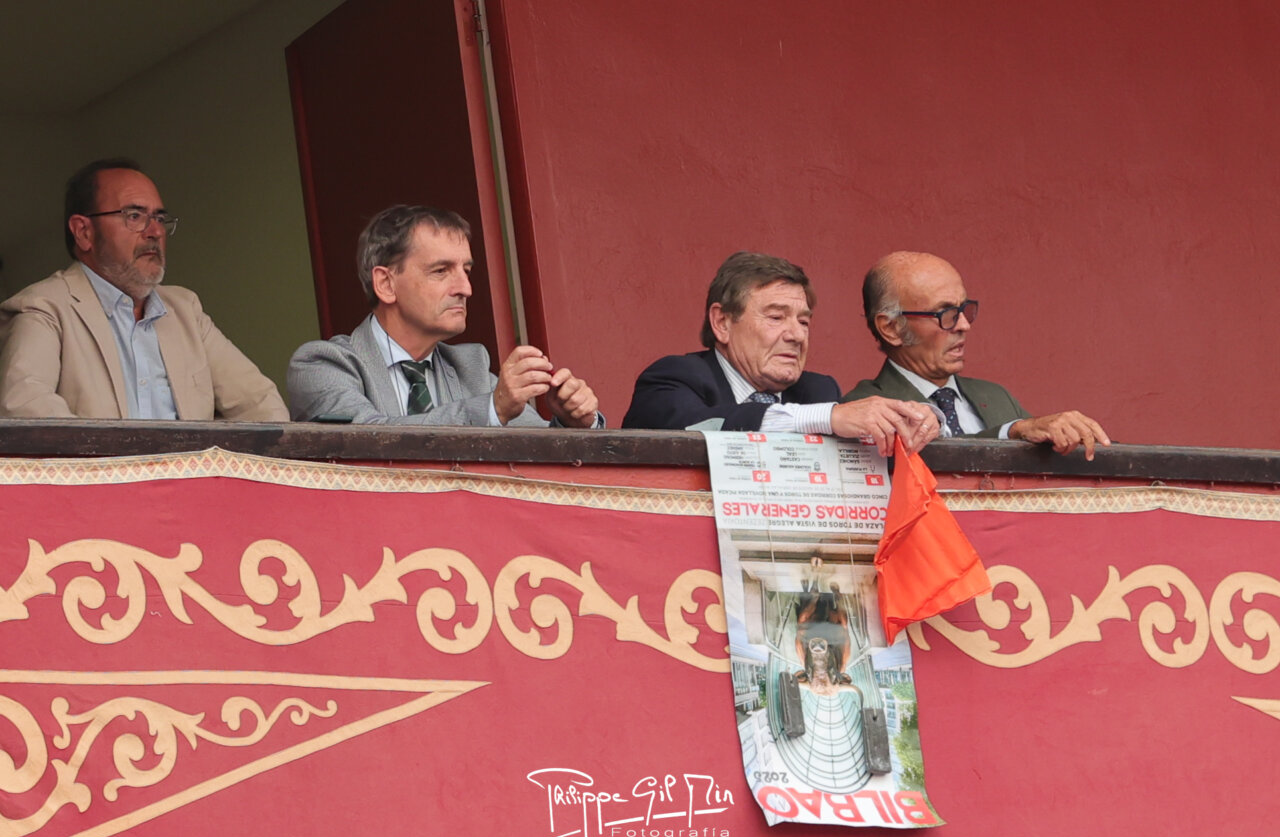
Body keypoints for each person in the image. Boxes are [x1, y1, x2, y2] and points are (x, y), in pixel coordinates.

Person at [0, 158, 288, 421]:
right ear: (84, 232)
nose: (156, 232)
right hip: (107, 465)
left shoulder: (185, 309)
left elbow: (260, 403)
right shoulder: (44, 307)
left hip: (191, 465)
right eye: (134, 216)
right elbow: (26, 408)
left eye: (159, 218)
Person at [287, 205, 600, 428]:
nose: (466, 289)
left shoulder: (471, 367)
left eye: (466, 271)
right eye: (440, 271)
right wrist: (492, 408)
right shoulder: (322, 364)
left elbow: (539, 446)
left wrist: (573, 422)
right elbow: (366, 442)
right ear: (386, 284)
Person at [622, 251, 937, 455]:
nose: (796, 335)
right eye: (776, 317)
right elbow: (695, 429)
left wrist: (918, 421)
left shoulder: (817, 390)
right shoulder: (675, 377)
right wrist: (826, 417)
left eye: (804, 322)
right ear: (722, 323)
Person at [846, 251, 1110, 459]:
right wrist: (1012, 432)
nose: (964, 325)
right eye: (946, 314)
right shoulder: (866, 407)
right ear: (891, 328)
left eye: (964, 310)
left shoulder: (994, 396)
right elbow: (938, 459)